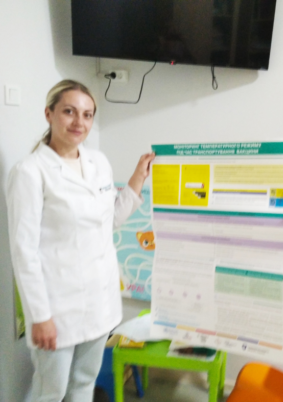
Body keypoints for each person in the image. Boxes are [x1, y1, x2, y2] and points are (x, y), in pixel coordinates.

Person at [7, 79, 156, 402]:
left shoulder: (97, 162)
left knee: (84, 384)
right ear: (49, 114)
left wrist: (137, 179)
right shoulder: (30, 172)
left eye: (88, 115)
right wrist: (40, 316)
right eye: (69, 112)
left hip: (100, 301)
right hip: (57, 307)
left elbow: (109, 221)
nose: (79, 122)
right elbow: (23, 252)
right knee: (50, 391)